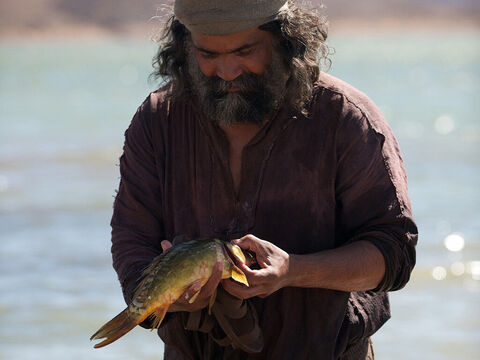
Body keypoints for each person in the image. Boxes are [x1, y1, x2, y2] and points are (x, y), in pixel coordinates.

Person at [109, 0, 418, 359]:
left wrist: (293, 271)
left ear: (285, 41)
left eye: (245, 51)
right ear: (184, 48)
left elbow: (393, 254)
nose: (226, 71)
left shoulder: (346, 119)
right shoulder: (157, 121)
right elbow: (132, 242)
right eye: (208, 54)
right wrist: (176, 299)